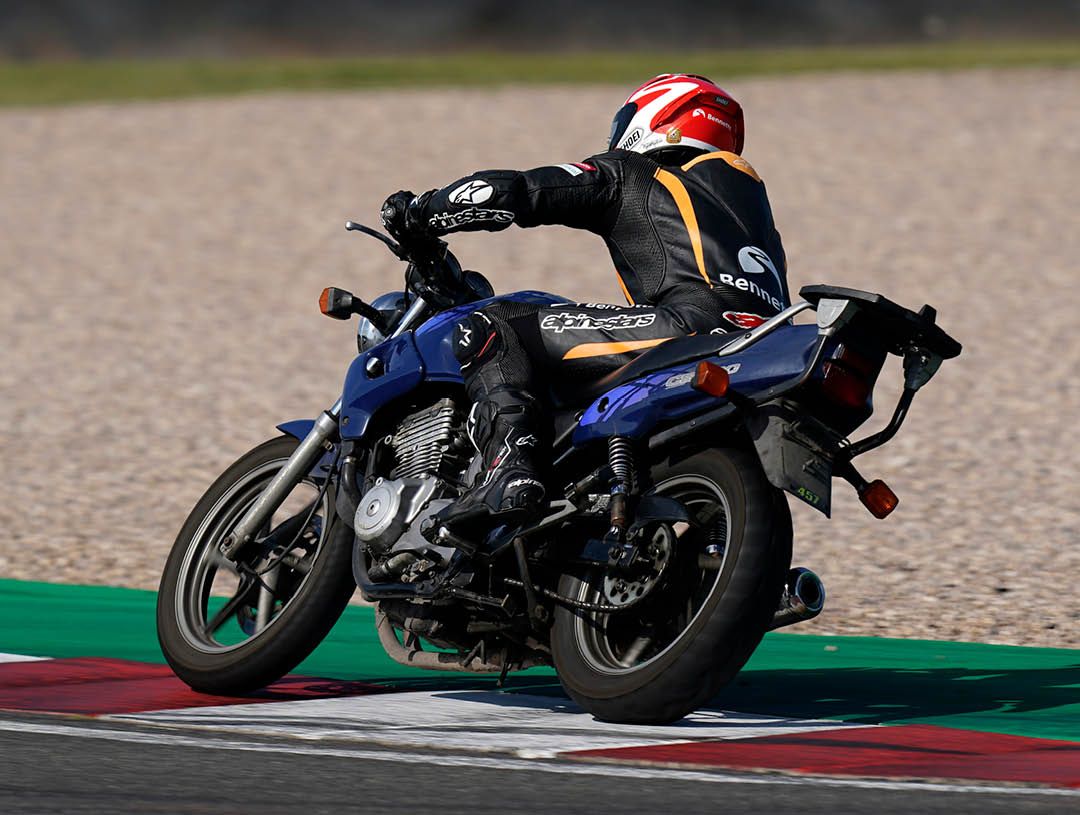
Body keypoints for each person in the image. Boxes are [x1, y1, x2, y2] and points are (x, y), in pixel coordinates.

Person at [380, 73, 790, 540]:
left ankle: (510, 467)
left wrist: (423, 211)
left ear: (656, 118)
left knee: (495, 326)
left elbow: (518, 192)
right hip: (760, 342)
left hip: (687, 327)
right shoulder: (751, 207)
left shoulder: (635, 173)